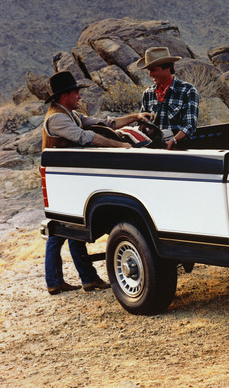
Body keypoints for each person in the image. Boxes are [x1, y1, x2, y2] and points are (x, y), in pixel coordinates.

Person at [42, 71, 153, 295]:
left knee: (74, 226)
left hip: (69, 178)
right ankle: (55, 281)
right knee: (58, 230)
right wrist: (120, 146)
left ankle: (87, 278)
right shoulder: (57, 118)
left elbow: (104, 123)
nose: (79, 97)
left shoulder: (69, 114)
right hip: (61, 179)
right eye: (75, 93)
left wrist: (135, 117)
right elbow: (86, 137)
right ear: (64, 96)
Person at [136, 47, 199, 149]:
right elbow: (142, 123)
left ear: (167, 69)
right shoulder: (148, 93)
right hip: (152, 149)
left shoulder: (187, 90)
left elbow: (190, 125)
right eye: (149, 70)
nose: (150, 74)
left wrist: (173, 141)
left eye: (153, 70)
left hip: (179, 149)